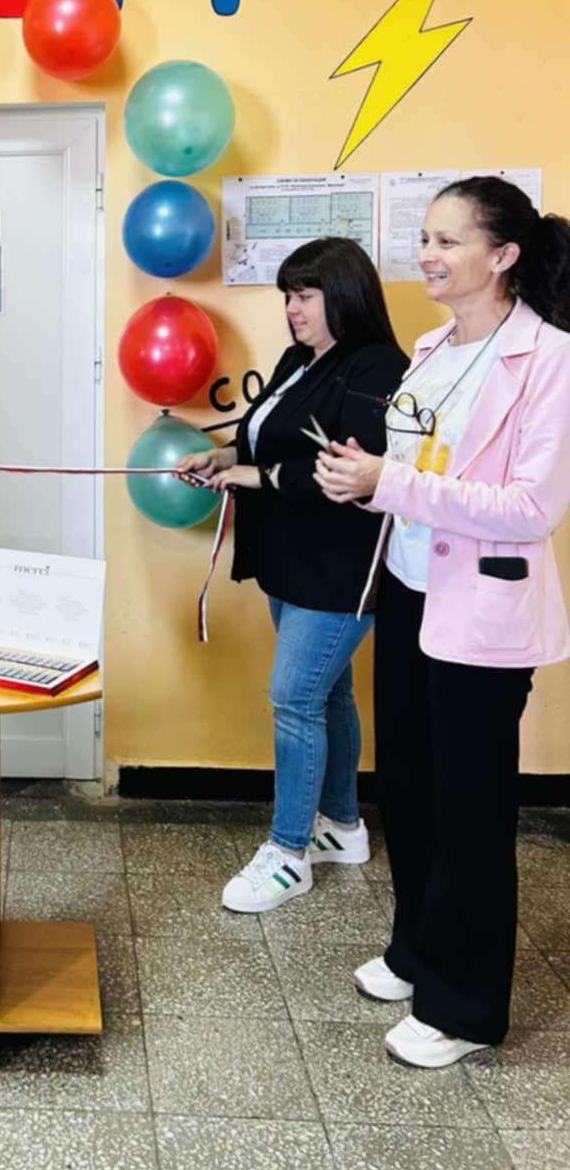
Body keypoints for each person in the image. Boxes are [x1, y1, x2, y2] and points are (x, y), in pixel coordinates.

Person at [316, 177, 570, 1067]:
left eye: (448, 241)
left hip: (483, 613)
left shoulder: (549, 359)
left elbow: (531, 508)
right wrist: (366, 476)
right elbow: (419, 468)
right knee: (411, 789)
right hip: (410, 589)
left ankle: (464, 1008)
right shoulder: (430, 349)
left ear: (503, 257)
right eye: (425, 237)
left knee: (469, 809)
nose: (427, 255)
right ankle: (416, 951)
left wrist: (391, 482)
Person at [179, 238, 407, 913]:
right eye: (288, 296)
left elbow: (349, 473)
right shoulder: (299, 360)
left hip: (341, 567)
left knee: (295, 700)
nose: (292, 309)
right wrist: (224, 457)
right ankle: (343, 826)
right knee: (330, 694)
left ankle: (288, 856)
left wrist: (257, 476)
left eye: (304, 296)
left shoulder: (379, 367)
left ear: (345, 295)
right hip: (290, 558)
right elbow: (266, 437)